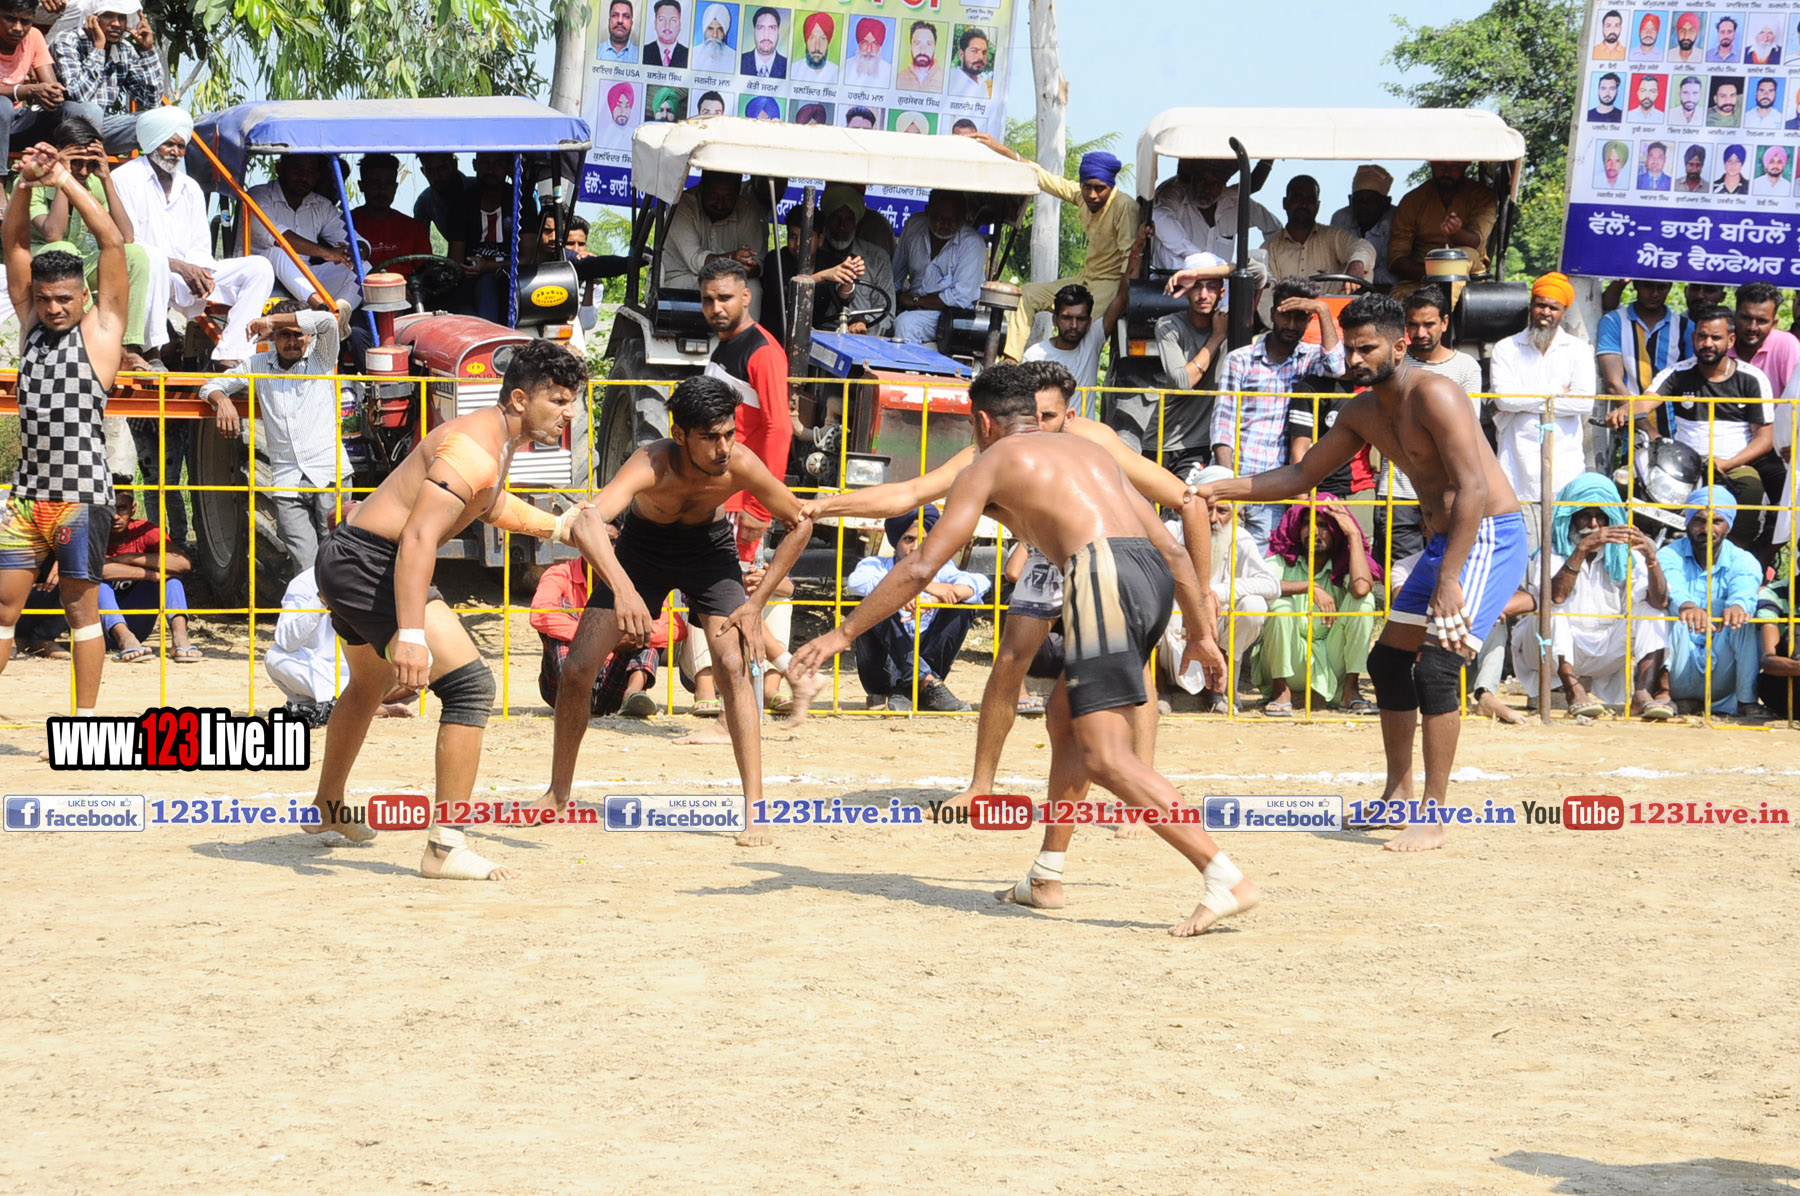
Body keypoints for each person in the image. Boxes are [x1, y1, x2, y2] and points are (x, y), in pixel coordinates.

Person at [789, 364, 1250, 936]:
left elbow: (922, 566)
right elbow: (1174, 551)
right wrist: (1200, 632)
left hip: (1097, 574)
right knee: (1063, 722)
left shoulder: (990, 462)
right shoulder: (1093, 452)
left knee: (1105, 754)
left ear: (983, 422)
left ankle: (1222, 874)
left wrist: (841, 634)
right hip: (1147, 573)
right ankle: (1046, 875)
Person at [1196, 294, 1530, 853]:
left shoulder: (1437, 393)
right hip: (1445, 542)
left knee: (1437, 670)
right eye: (1349, 348)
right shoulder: (1361, 411)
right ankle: (1398, 795)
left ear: (1399, 347)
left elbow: (1472, 487)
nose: (1353, 358)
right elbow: (1301, 474)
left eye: (1366, 348)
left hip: (1488, 538)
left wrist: (1449, 578)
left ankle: (1433, 816)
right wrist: (1218, 488)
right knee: (1388, 663)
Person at [306, 340, 589, 876]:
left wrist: (557, 526)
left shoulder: (495, 441)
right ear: (520, 399)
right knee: (470, 687)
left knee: (368, 684)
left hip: (351, 557)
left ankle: (328, 805)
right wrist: (412, 633)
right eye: (558, 400)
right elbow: (418, 537)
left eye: (571, 400)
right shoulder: (473, 448)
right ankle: (444, 848)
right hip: (372, 563)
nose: (568, 412)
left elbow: (486, 503)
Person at [536, 375, 814, 844]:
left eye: (729, 434)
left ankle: (755, 809)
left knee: (732, 664)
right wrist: (623, 590)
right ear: (680, 434)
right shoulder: (652, 462)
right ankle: (557, 793)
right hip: (642, 552)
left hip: (709, 552)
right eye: (710, 438)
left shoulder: (740, 463)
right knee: (579, 667)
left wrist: (756, 604)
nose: (723, 448)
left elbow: (800, 522)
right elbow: (586, 521)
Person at [0, 142, 129, 717]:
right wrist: (26, 184)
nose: (53, 308)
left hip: (80, 499)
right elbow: (14, 245)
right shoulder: (30, 323)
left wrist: (64, 180)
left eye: (64, 300)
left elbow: (112, 244)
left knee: (81, 613)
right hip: (26, 498)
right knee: (3, 610)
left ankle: (85, 722)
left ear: (85, 297)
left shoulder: (101, 331)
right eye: (46, 299)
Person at [111, 107, 276, 366]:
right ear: (153, 142)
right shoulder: (124, 178)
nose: (176, 152)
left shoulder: (190, 188)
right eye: (169, 144)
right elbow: (129, 243)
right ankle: (153, 352)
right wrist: (181, 267)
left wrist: (199, 273)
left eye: (181, 146)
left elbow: (200, 246)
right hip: (144, 273)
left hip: (186, 275)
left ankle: (230, 354)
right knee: (153, 259)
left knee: (259, 268)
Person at [198, 300, 351, 577]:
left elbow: (328, 321)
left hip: (329, 472)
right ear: (273, 339)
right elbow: (211, 385)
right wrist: (222, 401)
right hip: (287, 480)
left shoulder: (322, 358)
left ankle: (338, 607)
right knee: (305, 567)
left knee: (337, 559)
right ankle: (312, 606)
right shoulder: (259, 364)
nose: (291, 342)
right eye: (284, 335)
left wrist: (271, 322)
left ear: (309, 336)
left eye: (297, 334)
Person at [1614, 307, 1779, 559]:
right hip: (1683, 462)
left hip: (1734, 465)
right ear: (1693, 338)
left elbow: (1764, 440)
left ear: (1730, 340)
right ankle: (1630, 553)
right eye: (1702, 336)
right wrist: (1625, 411)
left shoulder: (1752, 378)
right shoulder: (1678, 372)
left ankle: (1733, 556)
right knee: (1624, 479)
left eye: (1716, 337)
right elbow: (1645, 402)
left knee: (1752, 490)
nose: (1708, 343)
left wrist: (1726, 464)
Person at [968, 133, 1138, 364]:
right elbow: (1043, 177)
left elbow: (1131, 260)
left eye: (1100, 188)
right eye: (1087, 187)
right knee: (1027, 294)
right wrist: (1002, 150)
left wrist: (1122, 301)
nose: (1092, 195)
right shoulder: (1082, 196)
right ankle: (1010, 361)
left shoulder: (1124, 207)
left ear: (1111, 186)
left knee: (1082, 330)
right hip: (1084, 279)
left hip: (1108, 287)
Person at [1512, 473, 1671, 720]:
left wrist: (1651, 559)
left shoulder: (1623, 554)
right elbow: (1555, 597)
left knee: (1653, 612)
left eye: (1601, 517)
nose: (1594, 524)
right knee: (1554, 608)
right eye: (1585, 515)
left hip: (1604, 649)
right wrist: (1582, 549)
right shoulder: (1552, 552)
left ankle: (1643, 693)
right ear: (1571, 517)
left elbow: (1659, 601)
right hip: (1547, 651)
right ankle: (1573, 691)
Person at [1209, 276, 1344, 548]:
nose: (1292, 325)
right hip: (1239, 480)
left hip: (1278, 487)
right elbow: (1223, 425)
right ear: (1272, 314)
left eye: (1301, 317)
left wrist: (1322, 310)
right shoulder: (1240, 359)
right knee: (1223, 560)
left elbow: (1337, 366)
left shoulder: (1309, 358)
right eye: (1286, 316)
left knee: (1263, 565)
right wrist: (1229, 488)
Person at [30, 115, 158, 372]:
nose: (83, 171)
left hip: (79, 266)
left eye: (90, 164)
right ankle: (92, 337)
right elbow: (54, 235)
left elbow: (125, 237)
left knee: (135, 255)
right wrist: (63, 176)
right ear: (59, 154)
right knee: (64, 249)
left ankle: (128, 348)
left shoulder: (92, 181)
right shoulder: (37, 181)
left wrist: (106, 178)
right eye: (77, 163)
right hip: (42, 267)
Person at [1375, 287, 1483, 571]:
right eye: (1412, 324)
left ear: (1444, 323)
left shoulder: (1466, 367)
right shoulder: (1393, 363)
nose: (1420, 332)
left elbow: (1467, 429)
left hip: (1448, 493)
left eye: (1428, 324)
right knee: (1401, 577)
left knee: (1447, 574)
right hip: (1398, 490)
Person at [1489, 273, 1597, 553]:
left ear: (1564, 312)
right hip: (1517, 467)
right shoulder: (1506, 348)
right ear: (1531, 306)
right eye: (1540, 305)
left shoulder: (1578, 350)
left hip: (1565, 468)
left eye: (1553, 307)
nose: (1546, 313)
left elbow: (1584, 403)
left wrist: (1524, 397)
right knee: (1522, 551)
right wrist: (1556, 391)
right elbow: (1504, 399)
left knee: (1563, 550)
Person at [845, 504, 988, 711]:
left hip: (929, 662)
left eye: (923, 541)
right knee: (875, 601)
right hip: (883, 668)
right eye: (908, 539)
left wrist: (934, 600)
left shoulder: (942, 568)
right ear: (896, 542)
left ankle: (914, 686)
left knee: (964, 605)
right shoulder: (874, 565)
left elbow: (980, 583)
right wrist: (912, 587)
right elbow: (856, 582)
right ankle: (921, 681)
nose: (915, 547)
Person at [1255, 495, 1380, 715]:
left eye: (1323, 526)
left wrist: (1353, 534)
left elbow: (1361, 588)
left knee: (1364, 602)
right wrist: (1309, 587)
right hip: (1288, 659)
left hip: (1331, 658)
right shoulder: (1285, 557)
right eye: (1307, 523)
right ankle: (1280, 691)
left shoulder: (1343, 563)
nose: (1313, 531)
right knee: (1280, 606)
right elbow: (1261, 584)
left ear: (1336, 532)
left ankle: (1350, 690)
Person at [1110, 253, 1229, 480]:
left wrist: (1197, 274)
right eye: (1196, 286)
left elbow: (1256, 271)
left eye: (1211, 287)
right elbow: (1182, 382)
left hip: (1196, 446)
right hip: (1160, 441)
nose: (1204, 295)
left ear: (1222, 292)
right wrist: (1216, 339)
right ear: (1185, 290)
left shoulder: (1231, 321)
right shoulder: (1169, 325)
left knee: (1185, 498)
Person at [1173, 465, 1281, 712]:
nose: (1213, 519)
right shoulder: (1174, 532)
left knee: (1254, 605)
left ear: (1236, 514)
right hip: (1179, 623)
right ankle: (1163, 688)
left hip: (1219, 623)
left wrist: (1216, 593)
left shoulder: (1240, 537)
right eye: (1207, 509)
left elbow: (1271, 585)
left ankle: (1217, 687)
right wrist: (1195, 599)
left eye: (1222, 511)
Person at [1658, 487, 1764, 717]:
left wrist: (1737, 606)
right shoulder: (1669, 554)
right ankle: (1662, 694)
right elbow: (1670, 582)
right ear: (1687, 522)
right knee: (1659, 609)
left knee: (1744, 618)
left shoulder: (1743, 560)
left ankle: (1745, 701)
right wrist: (1686, 605)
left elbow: (1745, 584)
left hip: (1721, 672)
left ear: (1729, 526)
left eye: (1716, 521)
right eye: (1698, 520)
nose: (1706, 529)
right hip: (1679, 662)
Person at [266, 565, 418, 719]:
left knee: (421, 659)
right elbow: (286, 641)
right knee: (275, 657)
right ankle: (362, 705)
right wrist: (322, 598)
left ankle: (343, 703)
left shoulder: (378, 574)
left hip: (371, 672)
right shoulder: (304, 582)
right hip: (322, 674)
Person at [529, 556, 666, 719]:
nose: (607, 552)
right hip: (566, 680)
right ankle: (577, 693)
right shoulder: (561, 574)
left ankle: (632, 694)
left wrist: (616, 639)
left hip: (615, 682)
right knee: (559, 612)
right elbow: (540, 613)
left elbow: (672, 625)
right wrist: (597, 638)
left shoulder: (636, 577)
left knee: (646, 623)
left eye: (613, 545)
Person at [94, 474, 200, 664]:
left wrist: (127, 558)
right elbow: (94, 569)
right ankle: (125, 638)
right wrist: (150, 574)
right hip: (99, 629)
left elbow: (183, 563)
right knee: (97, 584)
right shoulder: (93, 532)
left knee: (172, 578)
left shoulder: (144, 531)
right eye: (109, 508)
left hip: (138, 622)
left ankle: (180, 639)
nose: (115, 516)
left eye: (122, 508)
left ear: (133, 508)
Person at [246, 153, 361, 310]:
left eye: (311, 171)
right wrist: (327, 253)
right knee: (278, 252)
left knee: (361, 266)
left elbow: (352, 239)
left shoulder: (321, 205)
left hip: (304, 279)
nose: (304, 176)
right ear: (280, 168)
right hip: (262, 277)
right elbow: (278, 236)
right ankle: (322, 310)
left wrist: (358, 250)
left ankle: (339, 315)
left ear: (317, 176)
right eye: (297, 169)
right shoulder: (259, 195)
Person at [44, 0, 156, 152]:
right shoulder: (67, 40)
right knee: (92, 110)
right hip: (64, 125)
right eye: (108, 15)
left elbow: (151, 101)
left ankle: (96, 150)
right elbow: (80, 96)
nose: (116, 24)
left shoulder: (125, 50)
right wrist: (98, 49)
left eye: (122, 17)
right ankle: (88, 160)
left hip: (102, 127)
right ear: (91, 17)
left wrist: (148, 50)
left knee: (165, 119)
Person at [661, 169, 771, 315]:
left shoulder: (747, 209)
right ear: (702, 188)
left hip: (730, 279)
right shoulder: (682, 205)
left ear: (737, 192)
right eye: (714, 196)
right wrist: (733, 259)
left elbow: (758, 262)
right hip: (683, 278)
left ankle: (746, 331)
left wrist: (750, 266)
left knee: (752, 287)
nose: (720, 204)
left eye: (728, 197)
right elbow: (695, 261)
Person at [1387, 161, 1498, 297]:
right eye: (1441, 166)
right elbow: (1397, 259)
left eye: (1454, 166)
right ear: (1431, 163)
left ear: (1465, 164)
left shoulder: (1483, 196)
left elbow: (1476, 240)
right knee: (1399, 297)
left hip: (1470, 274)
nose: (1446, 172)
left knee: (1462, 254)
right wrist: (1436, 271)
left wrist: (1456, 233)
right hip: (1422, 277)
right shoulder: (1412, 200)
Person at [1150, 157, 1280, 272]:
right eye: (1201, 181)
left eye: (1215, 184)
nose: (1207, 189)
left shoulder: (1234, 202)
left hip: (1218, 289)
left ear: (1223, 186)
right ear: (1192, 179)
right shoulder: (1174, 194)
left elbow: (1274, 229)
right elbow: (1159, 218)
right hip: (1169, 287)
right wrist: (1200, 257)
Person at [1596, 279, 1690, 437]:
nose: (1654, 293)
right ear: (1636, 285)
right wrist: (1648, 431)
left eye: (1662, 287)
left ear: (1670, 287)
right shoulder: (1614, 322)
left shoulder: (1685, 326)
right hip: (1633, 433)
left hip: (1678, 431)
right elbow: (1614, 383)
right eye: (1648, 286)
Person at [892, 188, 984, 344]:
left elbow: (960, 298)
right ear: (928, 211)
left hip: (952, 315)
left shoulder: (972, 243)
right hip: (912, 306)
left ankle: (907, 362)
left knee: (906, 323)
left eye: (953, 220)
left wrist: (915, 301)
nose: (946, 225)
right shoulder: (914, 226)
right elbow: (895, 277)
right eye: (939, 218)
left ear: (962, 216)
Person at [1261, 174, 1374, 290]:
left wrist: (1357, 263)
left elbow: (1363, 246)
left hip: (1332, 302)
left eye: (1310, 199)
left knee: (1364, 265)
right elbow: (1265, 297)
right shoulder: (1270, 248)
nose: (1304, 204)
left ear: (1317, 206)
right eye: (1298, 198)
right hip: (1286, 303)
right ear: (1285, 203)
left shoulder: (1332, 236)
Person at [1022, 275, 1131, 395]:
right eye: (1067, 318)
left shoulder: (1092, 342)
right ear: (1055, 320)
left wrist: (1136, 262)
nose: (1074, 325)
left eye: (1080, 319)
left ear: (1089, 322)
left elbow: (1122, 297)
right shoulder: (1034, 356)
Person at [812, 182, 894, 336]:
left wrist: (864, 323)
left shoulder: (877, 258)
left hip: (865, 340)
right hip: (820, 336)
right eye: (836, 218)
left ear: (856, 222)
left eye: (848, 219)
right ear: (827, 219)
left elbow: (887, 313)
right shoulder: (814, 255)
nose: (842, 226)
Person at [0, 0, 69, 162]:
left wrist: (51, 94)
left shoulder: (34, 36)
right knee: (3, 105)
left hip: (15, 125)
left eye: (25, 21)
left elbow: (51, 86)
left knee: (71, 109)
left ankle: (67, 172)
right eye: (9, 19)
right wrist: (25, 91)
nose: (18, 28)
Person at [350, 153, 432, 275]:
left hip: (405, 287)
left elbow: (427, 273)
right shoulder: (345, 224)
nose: (382, 190)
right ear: (361, 186)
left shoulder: (414, 228)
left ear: (395, 187)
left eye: (388, 183)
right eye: (375, 183)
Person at [1329, 165, 1397, 288]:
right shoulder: (1341, 218)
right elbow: (1335, 264)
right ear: (1350, 200)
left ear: (1386, 202)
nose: (1363, 206)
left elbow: (1395, 271)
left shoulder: (1396, 219)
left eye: (1371, 201)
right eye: (1359, 200)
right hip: (1348, 289)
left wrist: (1363, 275)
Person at [411, 152, 467, 246]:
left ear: (454, 165)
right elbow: (419, 246)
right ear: (423, 172)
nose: (437, 176)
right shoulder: (425, 201)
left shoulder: (478, 189)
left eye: (442, 168)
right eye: (430, 171)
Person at [895, 19, 942, 92]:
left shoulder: (944, 79)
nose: (923, 50)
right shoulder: (898, 79)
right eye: (917, 43)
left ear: (934, 48)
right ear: (910, 47)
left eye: (929, 44)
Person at [789, 11, 836, 83]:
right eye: (812, 38)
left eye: (823, 38)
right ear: (806, 41)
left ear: (828, 42)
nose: (817, 47)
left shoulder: (836, 72)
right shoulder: (792, 70)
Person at [943, 26, 989, 98]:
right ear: (961, 54)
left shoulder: (983, 85)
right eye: (974, 51)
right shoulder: (948, 82)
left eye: (984, 52)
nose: (981, 57)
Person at [740, 5, 785, 77]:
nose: (766, 35)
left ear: (778, 32)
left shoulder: (788, 66)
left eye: (772, 28)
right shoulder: (739, 61)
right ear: (754, 31)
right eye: (760, 28)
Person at [844, 17, 888, 86]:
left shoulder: (889, 71)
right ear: (859, 44)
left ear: (880, 46)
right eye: (865, 42)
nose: (869, 50)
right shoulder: (845, 67)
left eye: (874, 43)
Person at [690, 3, 733, 73]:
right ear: (704, 30)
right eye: (710, 29)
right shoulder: (692, 55)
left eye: (720, 30)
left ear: (724, 33)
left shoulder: (734, 58)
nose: (715, 35)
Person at [641, 0, 686, 67]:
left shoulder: (689, 55)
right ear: (655, 23)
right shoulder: (643, 52)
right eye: (662, 19)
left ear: (680, 25)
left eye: (673, 20)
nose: (667, 26)